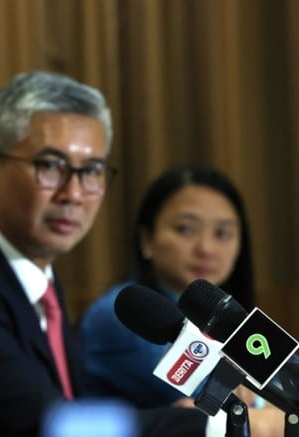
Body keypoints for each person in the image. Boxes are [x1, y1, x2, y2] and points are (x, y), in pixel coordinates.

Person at [0, 71, 214, 436]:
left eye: (91, 170)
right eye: (50, 166)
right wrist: (214, 427)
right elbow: (46, 426)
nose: (74, 194)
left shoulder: (39, 280)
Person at [80, 164, 254, 408]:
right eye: (186, 229)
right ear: (146, 239)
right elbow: (220, 401)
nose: (206, 248)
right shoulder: (123, 314)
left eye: (223, 234)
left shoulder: (223, 321)